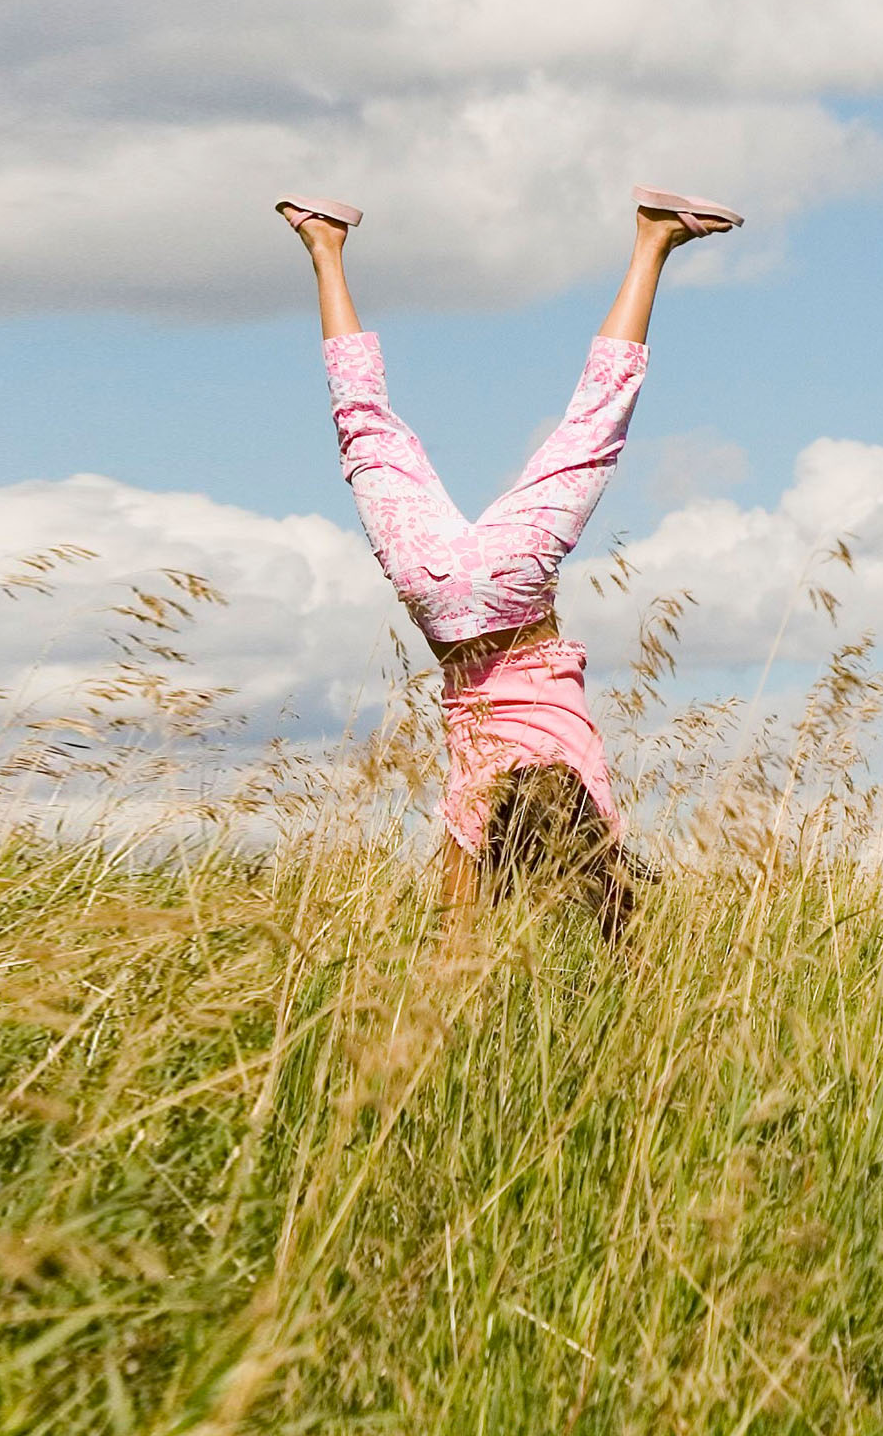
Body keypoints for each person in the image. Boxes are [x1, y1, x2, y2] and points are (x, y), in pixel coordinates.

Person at [281, 186, 744, 936]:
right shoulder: (472, 802)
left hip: (512, 581)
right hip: (433, 592)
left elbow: (614, 920)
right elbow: (453, 949)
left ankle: (653, 241)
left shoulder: (587, 788)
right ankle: (323, 245)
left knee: (594, 423)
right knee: (363, 428)